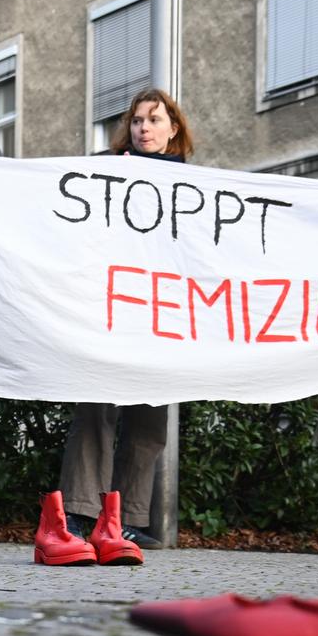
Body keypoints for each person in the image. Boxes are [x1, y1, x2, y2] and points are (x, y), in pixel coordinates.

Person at [58, 87, 194, 550]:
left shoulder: (195, 186)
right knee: (96, 408)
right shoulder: (105, 173)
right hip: (111, 307)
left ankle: (128, 518)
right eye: (137, 121)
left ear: (173, 129)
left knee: (148, 420)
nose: (144, 128)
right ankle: (80, 513)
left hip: (161, 313)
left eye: (154, 120)